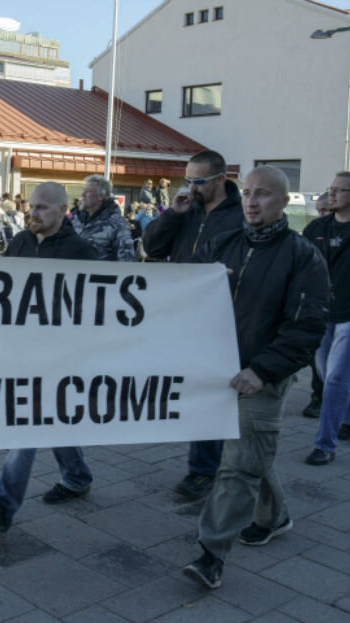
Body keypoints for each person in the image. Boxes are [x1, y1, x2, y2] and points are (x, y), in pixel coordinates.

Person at [182, 166, 329, 590]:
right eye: (246, 192)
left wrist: (262, 371)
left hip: (261, 376)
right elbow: (176, 285)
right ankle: (274, 516)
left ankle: (211, 554)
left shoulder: (303, 257)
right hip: (216, 370)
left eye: (262, 194)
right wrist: (203, 283)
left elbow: (305, 328)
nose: (251, 201)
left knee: (237, 465)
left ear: (284, 201)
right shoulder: (221, 243)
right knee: (250, 455)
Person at [0, 182, 98, 533]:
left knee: (28, 424)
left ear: (62, 210)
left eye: (42, 207)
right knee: (51, 419)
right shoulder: (21, 242)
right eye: (31, 206)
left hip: (60, 357)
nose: (32, 212)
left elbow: (98, 307)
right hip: (22, 351)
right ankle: (77, 475)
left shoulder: (82, 252)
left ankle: (2, 504)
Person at [143, 150, 244, 501]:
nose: (191, 187)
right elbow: (152, 246)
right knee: (192, 388)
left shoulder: (240, 215)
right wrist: (173, 214)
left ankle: (204, 469)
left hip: (223, 315)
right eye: (188, 180)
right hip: (183, 313)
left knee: (211, 391)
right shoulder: (187, 210)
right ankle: (214, 460)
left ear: (220, 179)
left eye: (198, 181)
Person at [301, 173, 350, 462]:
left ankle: (325, 445)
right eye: (331, 189)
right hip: (322, 313)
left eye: (340, 190)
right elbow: (299, 264)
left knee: (337, 379)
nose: (332, 195)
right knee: (326, 375)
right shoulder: (317, 228)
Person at [301, 192, 330, 419]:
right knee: (317, 356)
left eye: (326, 210)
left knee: (333, 363)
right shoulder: (313, 230)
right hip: (316, 300)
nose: (321, 214)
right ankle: (319, 395)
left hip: (345, 307)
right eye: (319, 209)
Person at [74, 175, 135, 261]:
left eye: (88, 191)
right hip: (72, 273)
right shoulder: (75, 219)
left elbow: (127, 259)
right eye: (84, 190)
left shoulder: (117, 223)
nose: (82, 195)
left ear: (101, 196)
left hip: (99, 273)